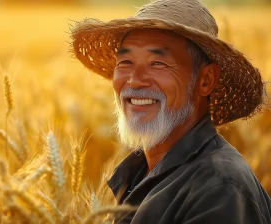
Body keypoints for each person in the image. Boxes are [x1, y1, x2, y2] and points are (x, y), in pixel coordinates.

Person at [70, 0, 271, 223]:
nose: (134, 81)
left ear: (205, 80)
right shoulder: (139, 173)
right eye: (125, 62)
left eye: (158, 63)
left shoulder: (219, 189)